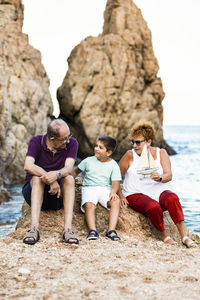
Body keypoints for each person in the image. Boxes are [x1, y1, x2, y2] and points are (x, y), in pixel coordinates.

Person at [118, 120, 197, 248]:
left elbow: (168, 175)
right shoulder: (129, 155)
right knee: (153, 207)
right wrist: (121, 195)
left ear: (148, 142)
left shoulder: (161, 153)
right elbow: (115, 176)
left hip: (159, 191)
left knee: (173, 198)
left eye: (138, 142)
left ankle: (185, 237)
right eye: (132, 141)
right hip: (135, 193)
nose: (134, 145)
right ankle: (164, 236)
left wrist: (160, 178)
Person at [22, 119, 79, 245]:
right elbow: (28, 166)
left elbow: (69, 168)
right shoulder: (36, 142)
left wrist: (57, 175)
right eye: (64, 138)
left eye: (69, 136)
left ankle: (68, 229)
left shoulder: (72, 143)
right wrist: (50, 179)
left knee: (69, 178)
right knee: (37, 178)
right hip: (34, 193)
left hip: (57, 196)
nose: (68, 141)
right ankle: (34, 228)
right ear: (52, 139)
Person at [72, 136, 121, 241]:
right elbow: (75, 171)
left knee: (116, 202)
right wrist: (70, 182)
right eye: (96, 146)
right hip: (89, 188)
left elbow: (116, 183)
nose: (96, 149)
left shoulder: (113, 165)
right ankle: (92, 230)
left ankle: (111, 231)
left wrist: (113, 192)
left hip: (105, 189)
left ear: (108, 153)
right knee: (89, 205)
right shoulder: (88, 161)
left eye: (100, 147)